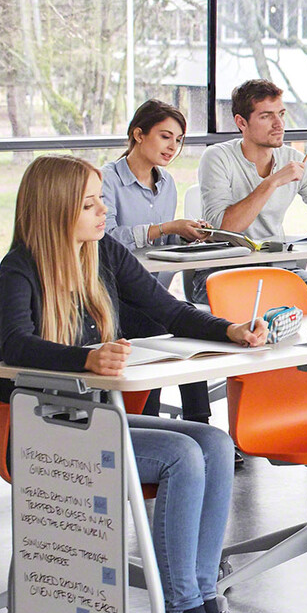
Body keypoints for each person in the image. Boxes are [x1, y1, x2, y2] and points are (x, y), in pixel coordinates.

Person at [0, 155, 269, 613]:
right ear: (55, 211)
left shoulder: (104, 254)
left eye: (102, 199)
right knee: (182, 455)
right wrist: (86, 358)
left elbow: (167, 311)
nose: (104, 211)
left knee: (213, 442)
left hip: (96, 419)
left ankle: (205, 603)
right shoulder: (21, 266)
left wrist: (227, 329)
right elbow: (14, 344)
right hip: (45, 431)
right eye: (90, 203)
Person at [101, 99, 216, 425]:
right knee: (163, 328)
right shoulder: (106, 179)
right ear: (138, 134)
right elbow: (105, 240)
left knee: (193, 327)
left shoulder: (166, 184)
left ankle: (198, 424)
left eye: (178, 140)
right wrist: (165, 228)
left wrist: (184, 235)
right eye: (165, 136)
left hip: (153, 296)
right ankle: (147, 424)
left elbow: (159, 244)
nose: (173, 147)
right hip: (113, 299)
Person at [194, 79, 307, 311]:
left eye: (281, 114)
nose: (279, 124)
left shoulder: (293, 161)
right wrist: (273, 182)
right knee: (260, 305)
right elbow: (222, 227)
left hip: (278, 268)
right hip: (222, 270)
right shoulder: (217, 157)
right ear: (241, 122)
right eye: (266, 116)